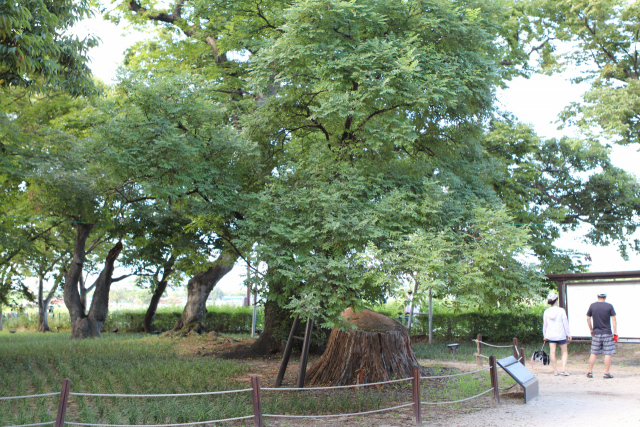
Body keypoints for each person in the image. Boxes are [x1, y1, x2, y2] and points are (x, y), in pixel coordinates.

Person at [587, 291, 617, 379]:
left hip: (596, 333)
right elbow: (614, 319)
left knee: (594, 353)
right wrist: (615, 332)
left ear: (597, 296)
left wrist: (591, 329)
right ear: (605, 297)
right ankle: (606, 373)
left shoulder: (592, 306)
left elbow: (588, 319)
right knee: (608, 353)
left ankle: (590, 372)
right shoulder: (609, 306)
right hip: (607, 333)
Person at [543, 293, 572, 376]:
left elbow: (545, 325)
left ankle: (555, 371)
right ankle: (563, 369)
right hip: (561, 334)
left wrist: (545, 335)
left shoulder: (546, 312)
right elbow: (565, 323)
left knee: (552, 352)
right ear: (556, 300)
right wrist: (568, 334)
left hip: (551, 335)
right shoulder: (561, 310)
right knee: (564, 352)